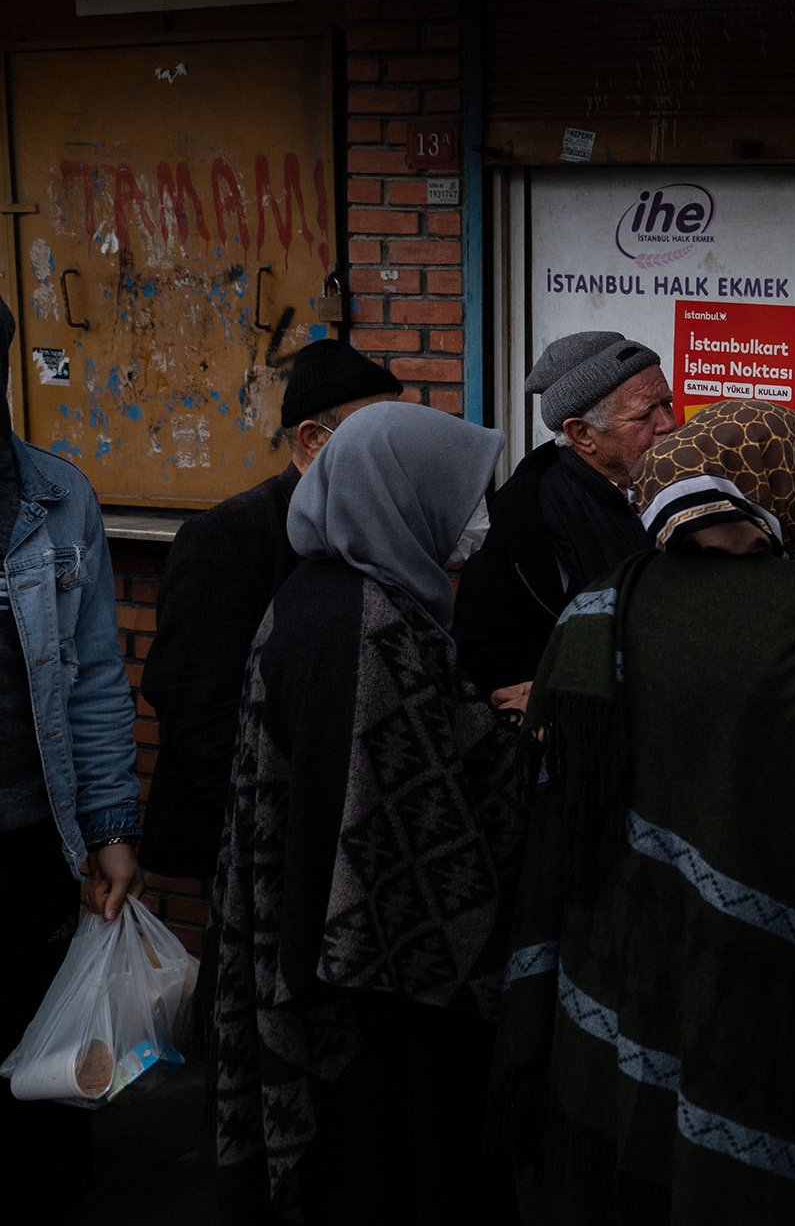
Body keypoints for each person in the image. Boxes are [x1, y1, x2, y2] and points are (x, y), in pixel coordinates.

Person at [498, 400, 795, 1225]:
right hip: (749, 985)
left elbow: (550, 821)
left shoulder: (596, 607)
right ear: (783, 495)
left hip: (613, 962)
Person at [211, 403, 525, 1223]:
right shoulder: (367, 625)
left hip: (324, 962)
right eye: (461, 497)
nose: (476, 521)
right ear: (398, 496)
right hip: (368, 1005)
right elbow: (405, 836)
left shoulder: (328, 592)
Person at [143, 339, 405, 885]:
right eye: (372, 432)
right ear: (312, 440)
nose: (390, 450)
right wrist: (261, 835)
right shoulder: (226, 536)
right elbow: (196, 707)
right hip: (253, 841)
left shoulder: (372, 528)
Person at [0, 294, 145, 1214]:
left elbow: (93, 678)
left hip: (26, 838)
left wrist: (108, 825)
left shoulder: (54, 498)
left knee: (40, 1067)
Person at [455, 331, 676, 708]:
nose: (669, 424)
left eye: (668, 403)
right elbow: (488, 648)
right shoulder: (524, 517)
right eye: (645, 414)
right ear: (581, 434)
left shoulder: (685, 480)